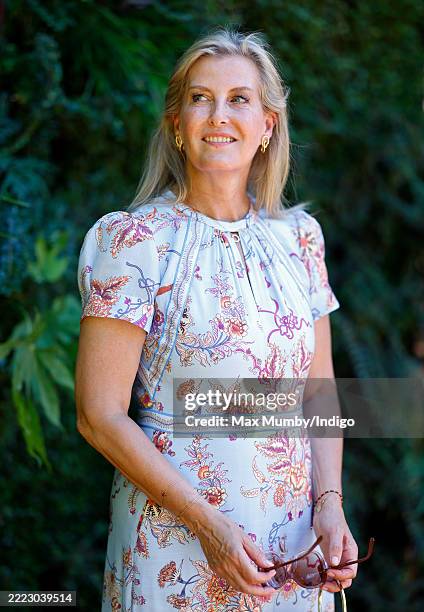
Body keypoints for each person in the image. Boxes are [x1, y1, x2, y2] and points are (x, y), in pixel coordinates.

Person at [75, 26, 358, 611]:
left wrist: (329, 503)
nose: (218, 115)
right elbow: (98, 415)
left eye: (239, 99)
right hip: (176, 546)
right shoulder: (133, 242)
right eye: (199, 98)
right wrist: (209, 527)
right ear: (177, 125)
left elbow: (320, 392)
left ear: (267, 127)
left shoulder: (300, 240)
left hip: (293, 547)